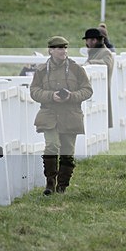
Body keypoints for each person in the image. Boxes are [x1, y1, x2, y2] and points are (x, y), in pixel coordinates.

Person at [29, 35, 93, 195]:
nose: (63, 51)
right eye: (59, 48)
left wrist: (71, 96)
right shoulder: (41, 71)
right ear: (50, 50)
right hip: (49, 114)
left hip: (71, 115)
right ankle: (50, 183)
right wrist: (51, 96)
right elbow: (34, 91)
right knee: (51, 145)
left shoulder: (76, 69)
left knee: (67, 152)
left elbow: (87, 90)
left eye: (65, 48)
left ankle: (62, 187)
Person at [84, 27, 115, 128]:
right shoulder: (94, 52)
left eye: (87, 40)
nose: (86, 43)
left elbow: (106, 64)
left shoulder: (105, 52)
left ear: (94, 40)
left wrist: (90, 63)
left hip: (101, 90)